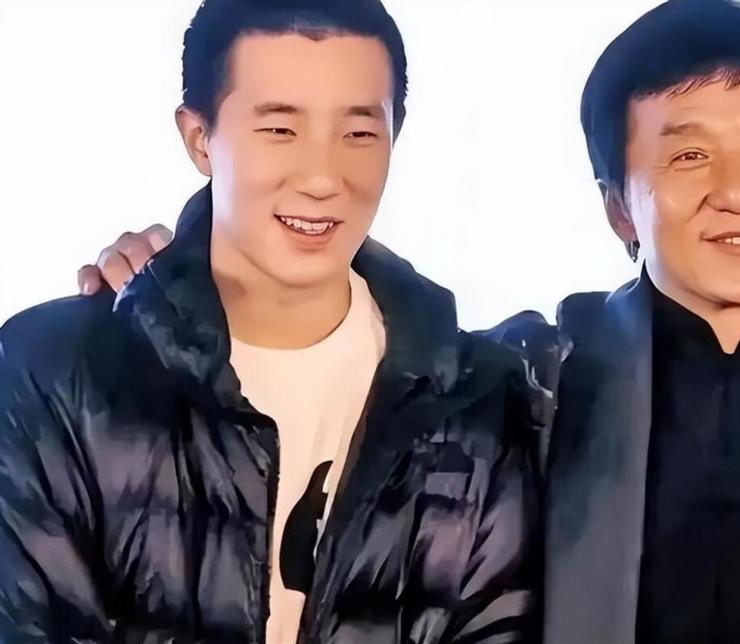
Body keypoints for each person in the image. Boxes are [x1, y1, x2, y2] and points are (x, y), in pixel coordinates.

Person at [74, 0, 740, 642]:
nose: (738, 189)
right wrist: (176, 278)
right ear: (618, 207)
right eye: (688, 153)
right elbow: (340, 334)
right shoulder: (522, 379)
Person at [0, 1, 541, 642]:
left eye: (359, 133)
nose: (323, 178)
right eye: (281, 129)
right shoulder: (53, 377)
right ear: (199, 138)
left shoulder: (477, 403)